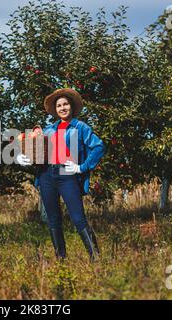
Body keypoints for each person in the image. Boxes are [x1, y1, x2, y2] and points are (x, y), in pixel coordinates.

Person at [17, 88, 106, 261]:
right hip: (46, 175)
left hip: (67, 174)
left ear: (71, 106)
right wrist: (22, 156)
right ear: (55, 110)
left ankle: (95, 258)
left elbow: (98, 147)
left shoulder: (80, 127)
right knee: (53, 219)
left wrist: (82, 167)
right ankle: (61, 259)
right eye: (59, 105)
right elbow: (35, 151)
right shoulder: (48, 130)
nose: (62, 108)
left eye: (65, 104)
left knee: (78, 217)